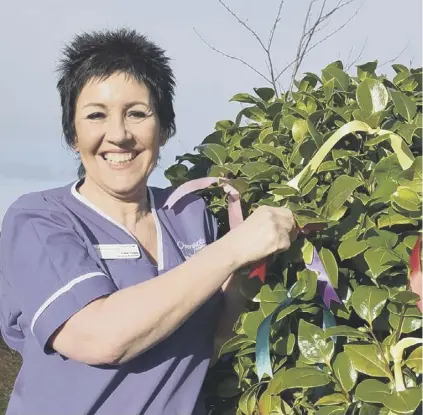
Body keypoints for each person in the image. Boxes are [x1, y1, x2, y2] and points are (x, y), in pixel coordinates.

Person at [0, 28, 296, 415]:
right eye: (96, 116)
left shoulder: (189, 215)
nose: (119, 135)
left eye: (137, 113)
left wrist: (250, 271)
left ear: (165, 129)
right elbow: (100, 338)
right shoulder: (39, 219)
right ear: (74, 134)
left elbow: (209, 339)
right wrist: (232, 249)